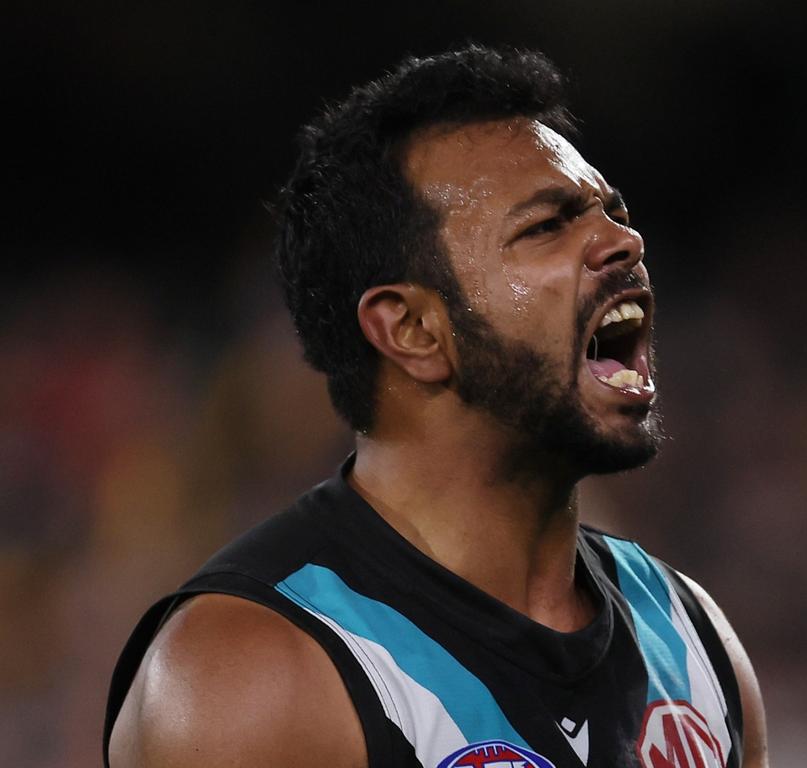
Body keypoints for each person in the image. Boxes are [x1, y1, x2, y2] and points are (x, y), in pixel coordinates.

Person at [104, 45, 769, 768]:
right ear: (414, 330)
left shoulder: (693, 641)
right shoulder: (254, 674)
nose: (624, 241)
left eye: (612, 212)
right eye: (547, 226)